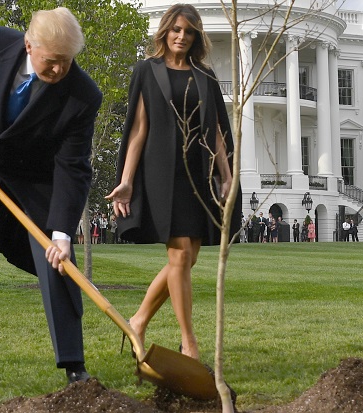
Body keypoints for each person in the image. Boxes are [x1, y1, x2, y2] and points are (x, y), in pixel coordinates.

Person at [0, 7, 102, 390]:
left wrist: (62, 233)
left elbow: (72, 166)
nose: (59, 69)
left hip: (37, 181)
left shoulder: (83, 95)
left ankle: (74, 365)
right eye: (51, 60)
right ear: (29, 45)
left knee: (57, 262)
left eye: (66, 62)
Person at [106, 3, 239, 361]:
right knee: (179, 254)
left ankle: (137, 321)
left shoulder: (205, 75)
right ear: (165, 31)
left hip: (198, 172)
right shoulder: (147, 70)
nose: (182, 36)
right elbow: (138, 129)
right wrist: (127, 181)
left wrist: (227, 175)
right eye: (176, 29)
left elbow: (216, 130)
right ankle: (189, 343)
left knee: (188, 257)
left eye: (189, 31)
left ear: (196, 37)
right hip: (162, 173)